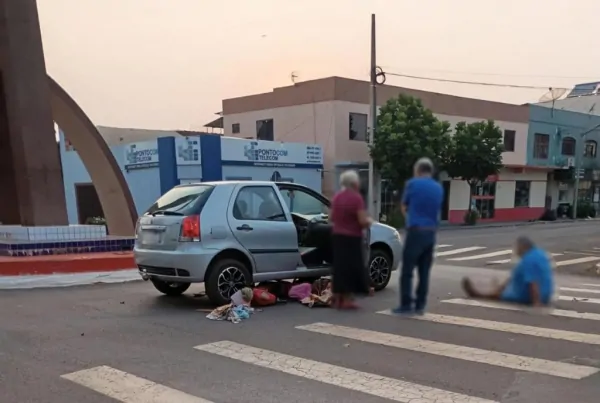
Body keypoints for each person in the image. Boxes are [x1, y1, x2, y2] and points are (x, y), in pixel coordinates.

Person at [393, 158, 443, 315]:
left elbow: (404, 206)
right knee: (424, 271)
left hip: (416, 231)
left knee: (407, 270)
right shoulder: (438, 188)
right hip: (431, 232)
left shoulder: (412, 184)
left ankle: (406, 304)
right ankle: (420, 305)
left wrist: (409, 217)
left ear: (418, 170)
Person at [462, 236, 554, 306]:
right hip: (546, 295)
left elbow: (533, 282)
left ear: (523, 247)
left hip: (526, 297)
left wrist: (536, 302)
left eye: (517, 248)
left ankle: (481, 295)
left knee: (500, 295)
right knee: (509, 281)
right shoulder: (540, 254)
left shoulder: (528, 260)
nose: (516, 251)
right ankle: (495, 291)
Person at [330, 170, 373, 309]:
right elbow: (362, 220)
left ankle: (338, 297)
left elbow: (331, 217)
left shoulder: (337, 197)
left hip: (338, 236)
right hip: (352, 237)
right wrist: (369, 222)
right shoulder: (356, 198)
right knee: (352, 268)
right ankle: (347, 299)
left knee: (340, 267)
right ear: (354, 183)